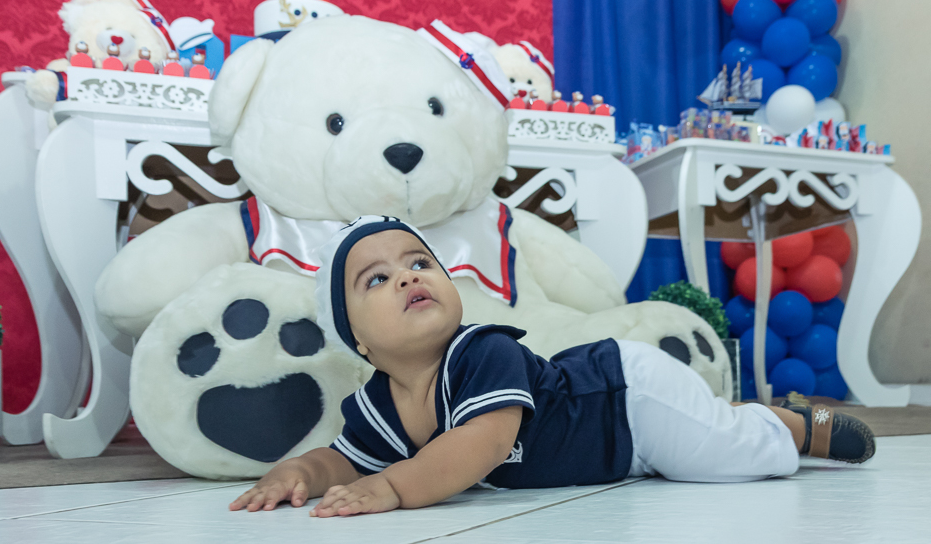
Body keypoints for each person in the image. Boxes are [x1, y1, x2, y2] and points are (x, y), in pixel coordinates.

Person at [229, 216, 875, 517]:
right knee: (702, 432)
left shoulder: (482, 351)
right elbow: (346, 457)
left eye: (419, 262)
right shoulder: (379, 404)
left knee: (725, 456)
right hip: (618, 446)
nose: (407, 276)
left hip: (626, 399)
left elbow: (482, 441)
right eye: (376, 278)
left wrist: (398, 485)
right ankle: (735, 413)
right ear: (359, 343)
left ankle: (792, 423)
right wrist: (300, 471)